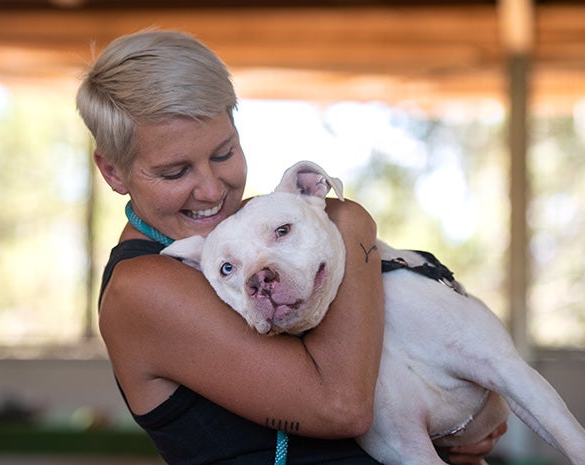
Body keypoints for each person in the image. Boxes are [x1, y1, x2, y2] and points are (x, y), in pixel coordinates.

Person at [76, 29, 507, 464]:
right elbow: (342, 408)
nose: (211, 190)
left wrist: (457, 420)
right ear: (113, 172)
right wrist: (351, 220)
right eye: (174, 173)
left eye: (224, 153)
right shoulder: (143, 287)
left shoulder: (254, 229)